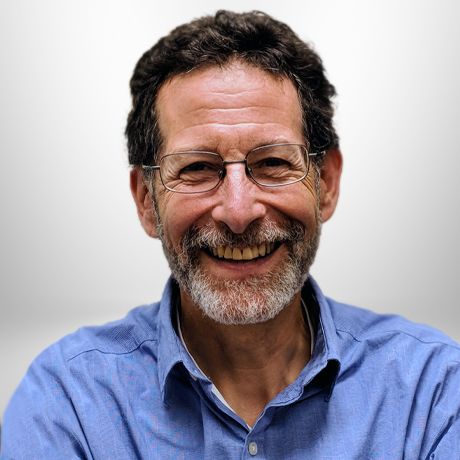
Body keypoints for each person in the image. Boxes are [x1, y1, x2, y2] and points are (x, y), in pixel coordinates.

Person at [1, 10, 459, 459]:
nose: (239, 213)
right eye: (198, 168)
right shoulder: (68, 403)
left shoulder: (433, 391)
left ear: (326, 184)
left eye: (274, 163)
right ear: (146, 200)